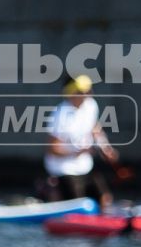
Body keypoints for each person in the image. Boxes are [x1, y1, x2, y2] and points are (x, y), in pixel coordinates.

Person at [43, 75, 115, 205]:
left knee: (105, 198)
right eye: (83, 92)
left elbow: (95, 128)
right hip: (63, 169)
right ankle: (49, 188)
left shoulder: (91, 105)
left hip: (84, 167)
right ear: (71, 94)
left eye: (89, 91)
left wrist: (106, 147)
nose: (88, 94)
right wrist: (78, 152)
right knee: (77, 203)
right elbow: (53, 149)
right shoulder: (60, 115)